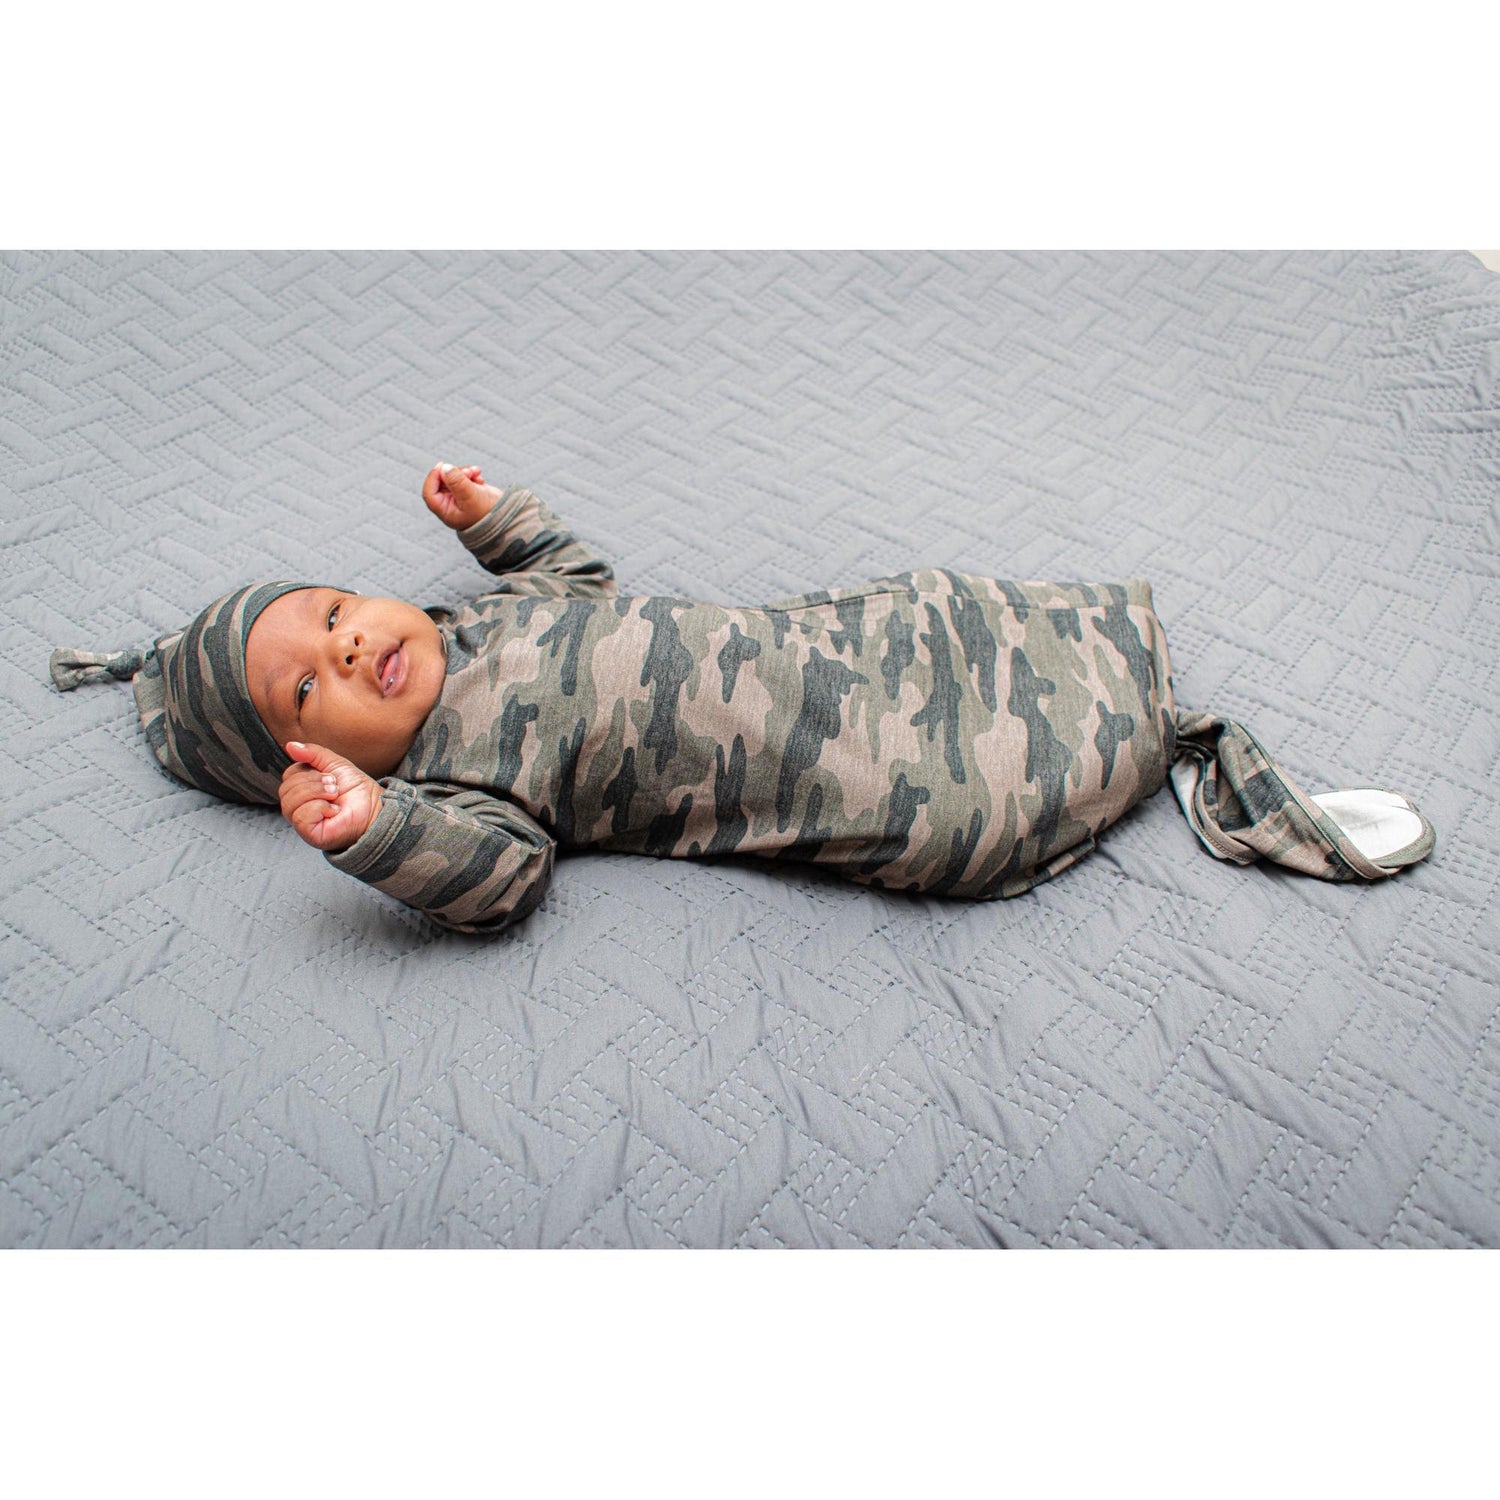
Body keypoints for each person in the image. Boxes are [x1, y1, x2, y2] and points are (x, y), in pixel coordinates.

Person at [49, 465, 1436, 933]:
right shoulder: (451, 785)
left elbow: (580, 582)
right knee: (948, 789)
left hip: (813, 650)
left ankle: (1145, 714)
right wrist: (376, 832)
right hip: (815, 771)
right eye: (310, 683)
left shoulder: (483, 619)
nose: (353, 645)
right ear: (309, 758)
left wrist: (497, 523)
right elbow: (501, 881)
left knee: (937, 611)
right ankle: (1170, 759)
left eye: (335, 611)